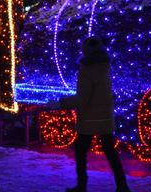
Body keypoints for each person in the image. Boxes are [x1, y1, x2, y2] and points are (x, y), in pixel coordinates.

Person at [48, 36, 130, 192]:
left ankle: (81, 186)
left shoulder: (86, 71)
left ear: (85, 51)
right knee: (111, 153)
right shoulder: (105, 66)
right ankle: (122, 186)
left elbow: (82, 99)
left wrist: (60, 103)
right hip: (105, 117)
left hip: (89, 119)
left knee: (80, 152)